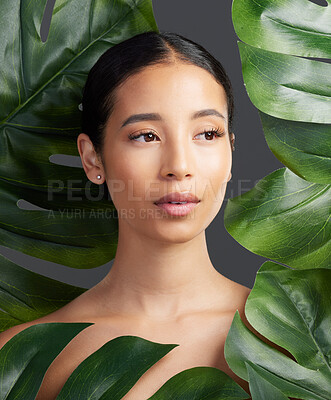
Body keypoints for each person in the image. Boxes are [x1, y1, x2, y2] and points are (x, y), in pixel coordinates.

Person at [0, 31, 257, 399]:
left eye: (206, 133)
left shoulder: (297, 336)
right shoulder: (22, 360)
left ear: (230, 151)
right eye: (146, 136)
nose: (179, 166)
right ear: (92, 159)